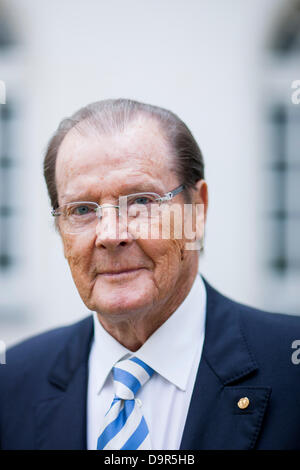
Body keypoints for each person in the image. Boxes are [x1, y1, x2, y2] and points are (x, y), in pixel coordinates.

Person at [1, 99, 300, 450]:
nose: (111, 235)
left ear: (197, 210)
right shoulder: (12, 382)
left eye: (141, 201)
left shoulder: (289, 368)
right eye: (82, 209)